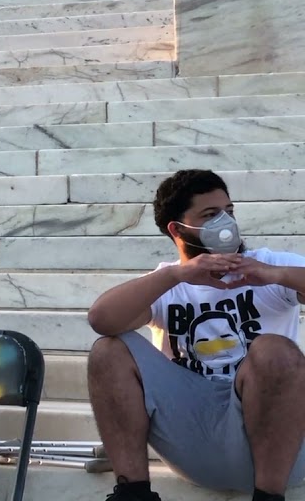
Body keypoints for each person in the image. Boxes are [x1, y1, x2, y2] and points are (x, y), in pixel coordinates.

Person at [86, 169, 305, 501]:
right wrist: (176, 275)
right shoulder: (167, 284)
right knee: (108, 350)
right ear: (177, 228)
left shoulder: (270, 266)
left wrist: (276, 275)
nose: (226, 222)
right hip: (196, 438)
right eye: (210, 215)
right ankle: (133, 495)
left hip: (282, 442)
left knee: (274, 350)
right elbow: (101, 319)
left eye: (229, 211)